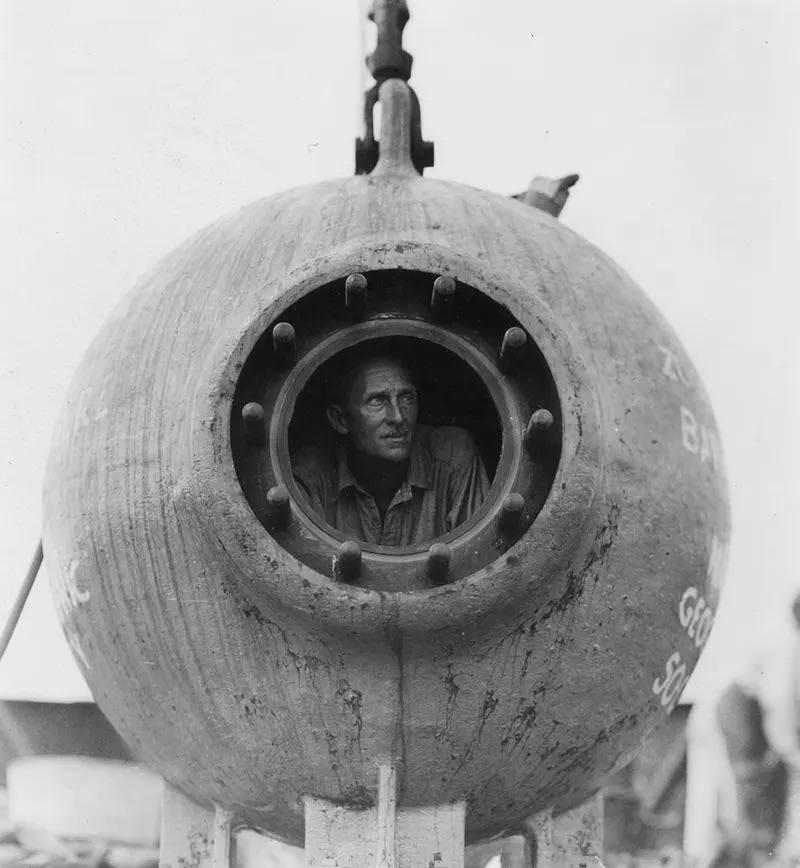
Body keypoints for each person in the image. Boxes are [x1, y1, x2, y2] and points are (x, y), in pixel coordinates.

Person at [292, 351, 490, 546]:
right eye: (377, 400)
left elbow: (476, 556)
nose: (398, 417)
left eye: (406, 398)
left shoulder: (452, 455)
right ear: (340, 419)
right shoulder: (312, 476)